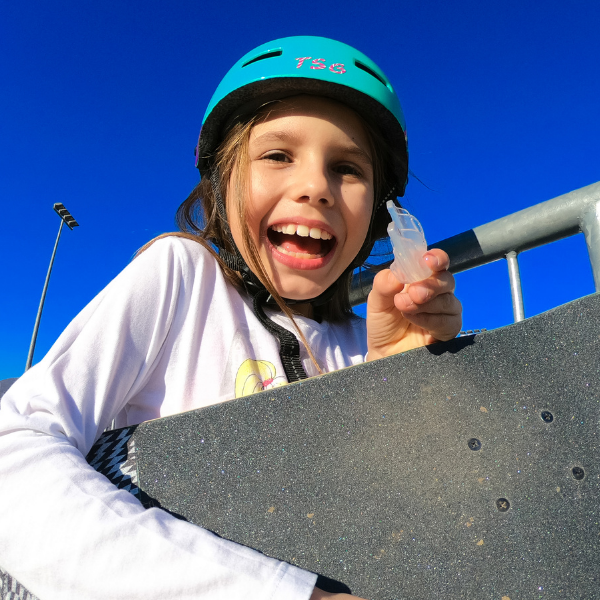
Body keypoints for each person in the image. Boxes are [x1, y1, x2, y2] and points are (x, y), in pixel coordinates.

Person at [0, 36, 461, 600]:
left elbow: (403, 526)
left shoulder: (353, 342)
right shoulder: (181, 279)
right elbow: (14, 450)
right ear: (221, 179)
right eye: (276, 155)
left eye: (346, 168)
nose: (316, 187)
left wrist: (396, 376)